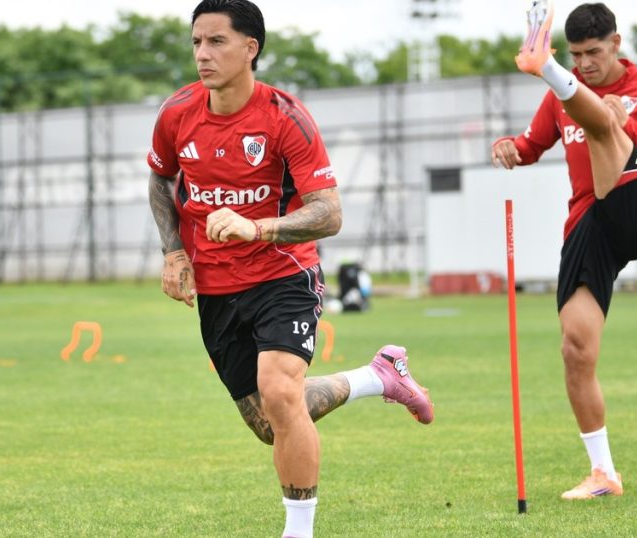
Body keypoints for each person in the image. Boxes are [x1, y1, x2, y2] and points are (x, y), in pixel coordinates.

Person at [146, 1, 434, 535]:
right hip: (215, 289)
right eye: (196, 42)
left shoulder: (284, 117)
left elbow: (329, 212)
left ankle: (297, 531)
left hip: (284, 276)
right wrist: (174, 250)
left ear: (250, 48)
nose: (202, 54)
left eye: (216, 42)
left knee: (281, 394)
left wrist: (258, 227)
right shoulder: (176, 112)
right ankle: (377, 376)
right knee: (268, 422)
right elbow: (161, 179)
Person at [492, 1, 637, 500]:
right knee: (575, 350)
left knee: (602, 125)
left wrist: (628, 126)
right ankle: (604, 474)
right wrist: (510, 146)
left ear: (616, 44)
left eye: (593, 53)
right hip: (590, 226)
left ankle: (541, 64)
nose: (586, 64)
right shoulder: (561, 101)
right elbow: (532, 145)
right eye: (574, 57)